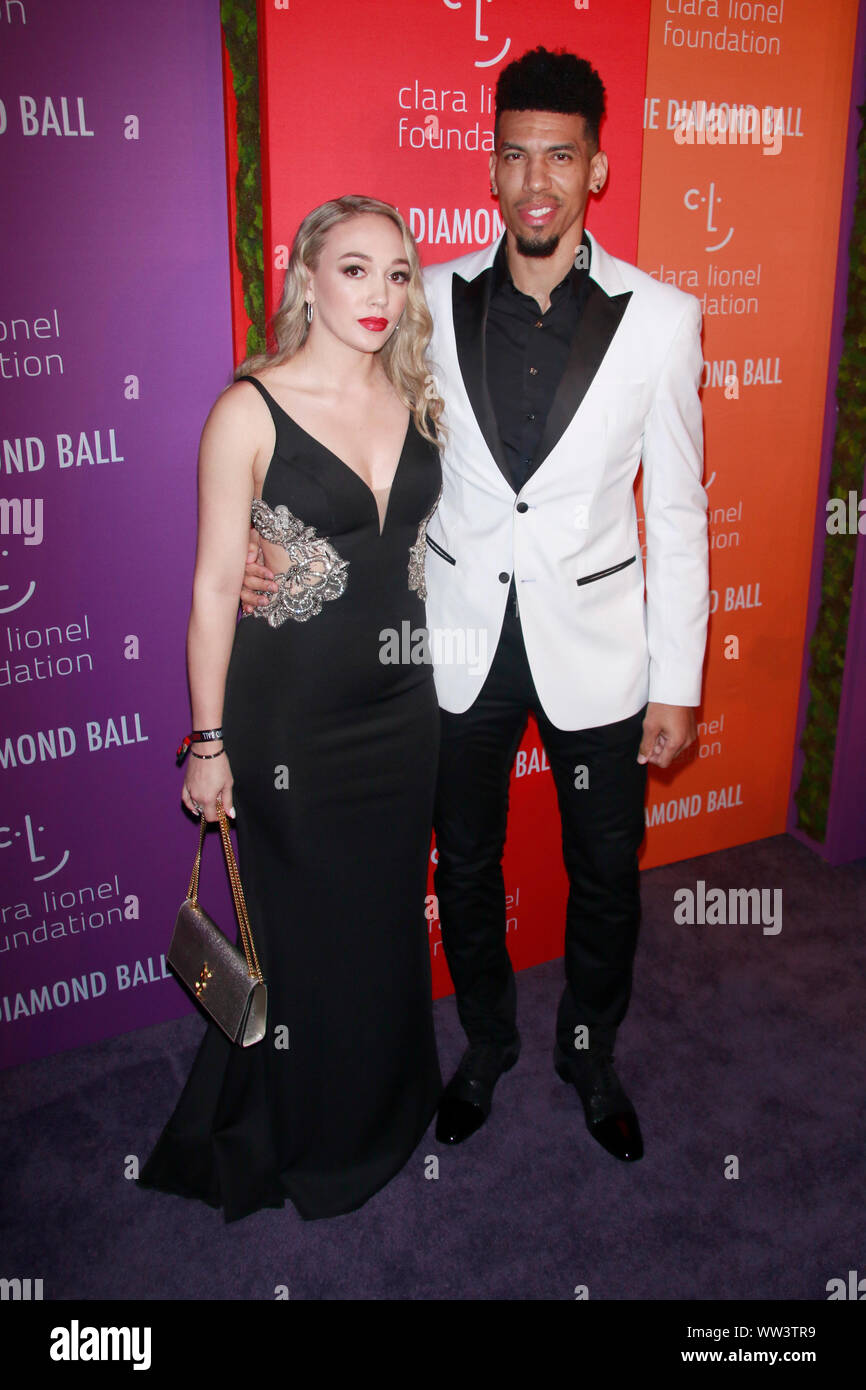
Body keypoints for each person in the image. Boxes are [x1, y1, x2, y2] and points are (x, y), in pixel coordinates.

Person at [242, 50, 709, 1166]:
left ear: (595, 167)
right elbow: (329, 408)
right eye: (513, 154)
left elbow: (680, 514)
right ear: (490, 169)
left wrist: (676, 681)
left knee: (604, 874)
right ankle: (487, 1046)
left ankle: (588, 1055)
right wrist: (270, 529)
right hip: (453, 640)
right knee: (463, 861)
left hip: (596, 644)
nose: (534, 177)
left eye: (558, 153)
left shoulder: (662, 319)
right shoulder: (428, 301)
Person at [138, 196, 444, 1223]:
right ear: (305, 275)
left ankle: (388, 1106)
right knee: (304, 935)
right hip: (288, 727)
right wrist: (208, 741)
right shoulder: (247, 410)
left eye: (397, 275)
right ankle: (311, 1133)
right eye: (354, 269)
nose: (378, 295)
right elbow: (211, 585)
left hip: (405, 708)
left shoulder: (418, 397)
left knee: (383, 922)